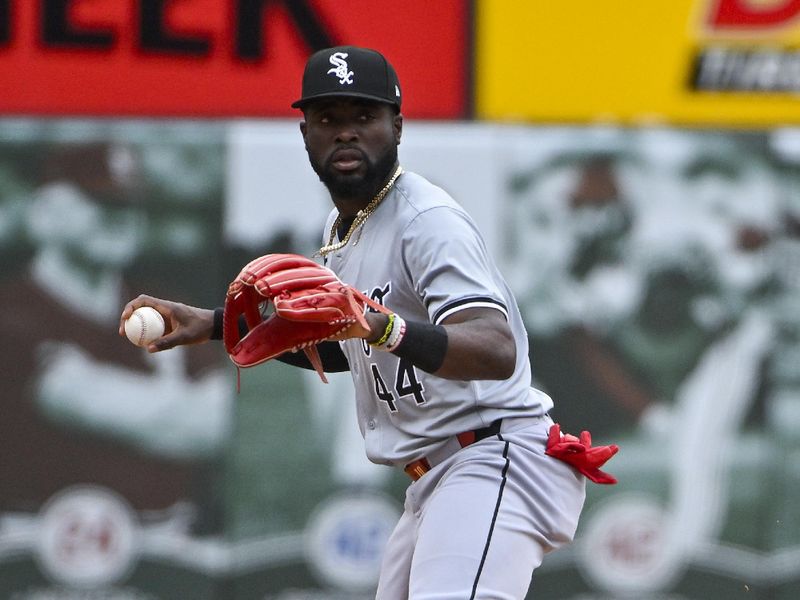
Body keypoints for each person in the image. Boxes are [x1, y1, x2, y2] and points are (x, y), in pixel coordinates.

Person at [120, 46, 589, 598]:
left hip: (493, 460)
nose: (346, 133)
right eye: (328, 119)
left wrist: (381, 326)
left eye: (363, 117)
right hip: (438, 478)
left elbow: (493, 348)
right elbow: (348, 342)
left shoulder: (427, 221)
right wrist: (212, 323)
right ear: (305, 135)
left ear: (397, 126)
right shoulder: (348, 228)